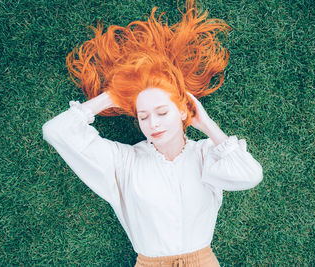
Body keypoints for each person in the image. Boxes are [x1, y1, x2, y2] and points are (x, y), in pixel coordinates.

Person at [42, 1, 263, 266]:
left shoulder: (206, 154)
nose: (153, 124)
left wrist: (206, 123)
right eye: (143, 116)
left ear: (182, 112)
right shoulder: (124, 161)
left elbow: (251, 175)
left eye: (161, 113)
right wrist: (110, 97)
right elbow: (56, 131)